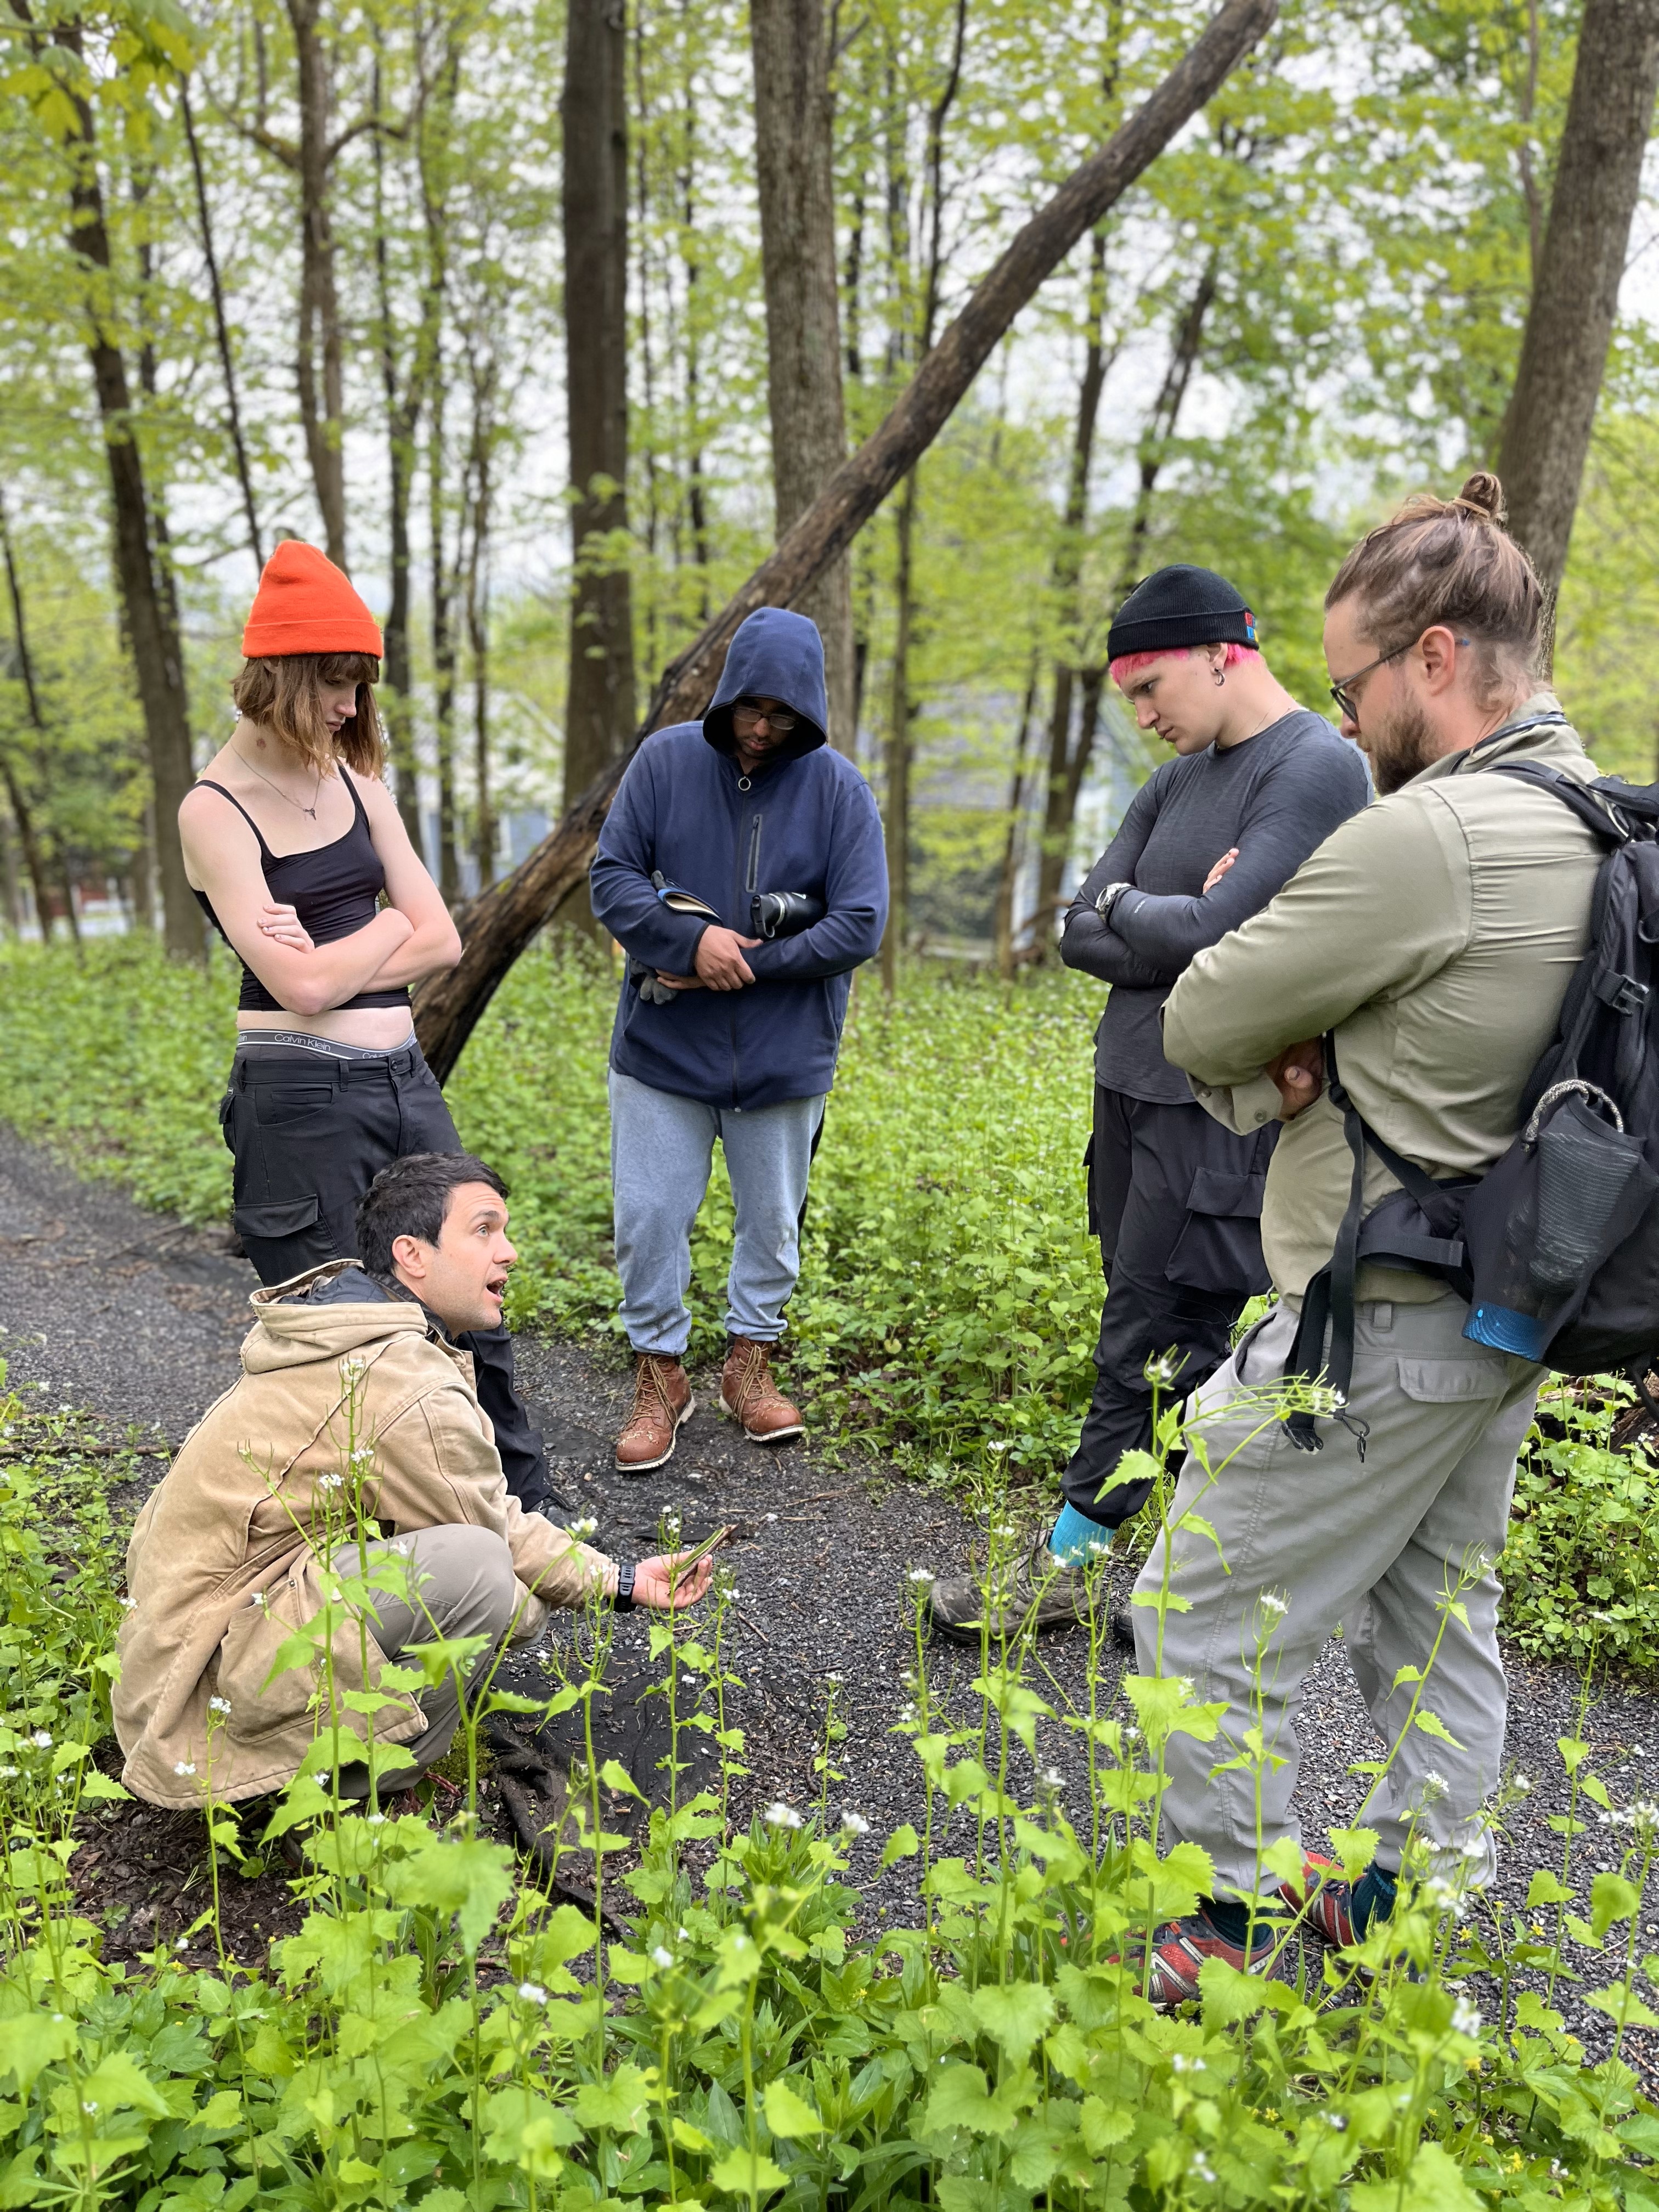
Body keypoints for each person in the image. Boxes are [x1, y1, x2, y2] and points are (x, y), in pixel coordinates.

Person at [1120, 473, 1605, 2005]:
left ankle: (1230, 1923)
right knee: (1438, 1609)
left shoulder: (1435, 835)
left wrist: (1294, 1035)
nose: (1347, 720)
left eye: (1353, 686)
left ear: (1436, 657)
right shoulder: (1597, 816)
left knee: (1197, 1608)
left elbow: (1204, 1008)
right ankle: (1410, 1894)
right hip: (1512, 1300)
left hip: (1373, 1312)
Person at [929, 565, 1369, 1641]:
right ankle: (1196, 1575)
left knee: (1148, 1338)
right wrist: (1152, 913)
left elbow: (1216, 934)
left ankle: (1070, 1564)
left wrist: (1138, 910)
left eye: (1148, 687)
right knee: (1179, 1347)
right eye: (1127, 696)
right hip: (1124, 1090)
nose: (1141, 716)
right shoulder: (1175, 781)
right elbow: (1078, 930)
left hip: (1212, 1109)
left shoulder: (1314, 766)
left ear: (1223, 654)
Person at [115, 1152, 713, 1809]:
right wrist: (605, 1585)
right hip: (198, 1695)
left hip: (173, 1655)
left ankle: (336, 1750)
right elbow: (496, 1548)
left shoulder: (339, 1325)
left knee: (471, 1565)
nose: (509, 1252)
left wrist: (614, 1579)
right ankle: (348, 1791)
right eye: (484, 1230)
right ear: (412, 1254)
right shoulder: (403, 1380)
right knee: (486, 1576)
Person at [179, 540, 555, 1514]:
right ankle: (367, 1528)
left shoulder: (358, 786)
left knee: (469, 1290)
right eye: (335, 683)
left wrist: (353, 947)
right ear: (280, 677)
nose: (351, 707)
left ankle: (523, 1511)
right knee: (334, 1317)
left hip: (404, 1078)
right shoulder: (214, 811)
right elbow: (299, 985)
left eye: (360, 686)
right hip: (298, 1099)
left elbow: (443, 940)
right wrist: (387, 927)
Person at [589, 606, 887, 1472]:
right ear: (728, 698)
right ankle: (660, 1372)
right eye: (752, 708)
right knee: (649, 1215)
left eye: (783, 715)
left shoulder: (840, 790)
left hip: (785, 1054)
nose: (762, 729)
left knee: (771, 1223)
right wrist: (690, 943)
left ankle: (748, 1367)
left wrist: (746, 962)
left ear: (808, 712)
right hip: (662, 1046)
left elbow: (862, 922)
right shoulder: (664, 762)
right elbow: (611, 877)